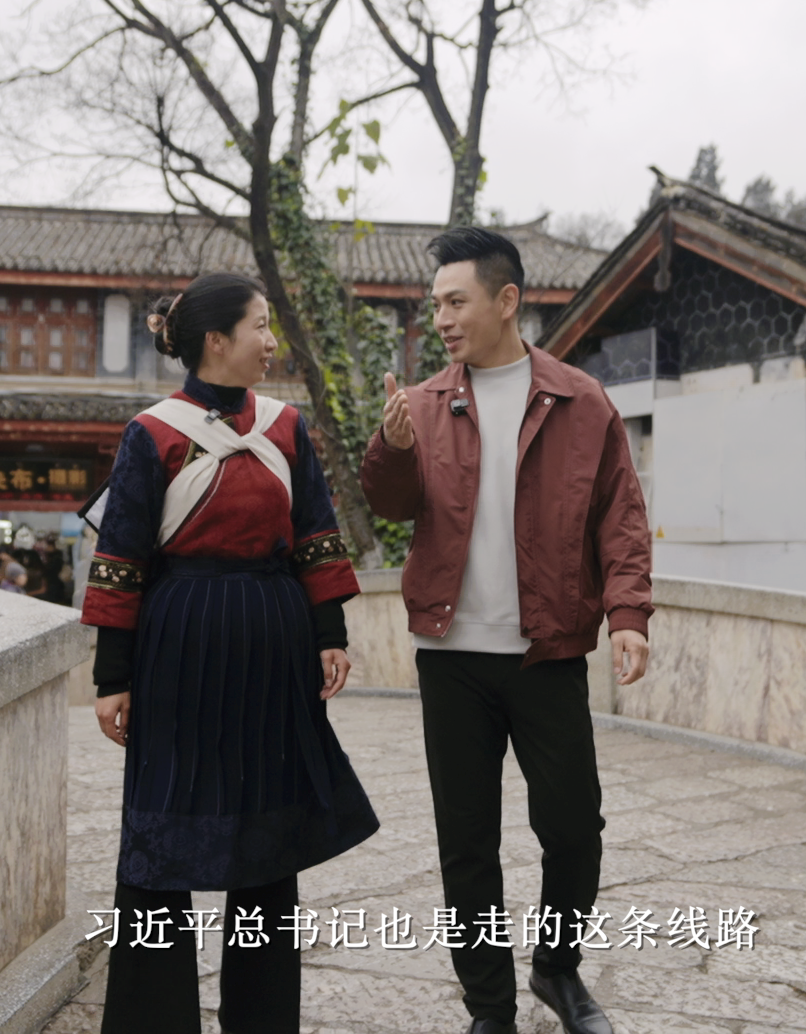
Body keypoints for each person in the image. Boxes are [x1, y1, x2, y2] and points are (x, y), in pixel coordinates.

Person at [361, 226, 653, 1034]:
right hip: (450, 657)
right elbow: (391, 505)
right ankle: (489, 1007)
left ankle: (557, 971)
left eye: (456, 302)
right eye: (436, 305)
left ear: (506, 300)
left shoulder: (581, 401)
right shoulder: (423, 403)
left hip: (545, 652)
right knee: (467, 842)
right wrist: (390, 449)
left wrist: (628, 614)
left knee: (574, 827)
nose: (442, 319)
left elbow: (621, 517)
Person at [82, 272, 379, 1032]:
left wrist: (330, 633)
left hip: (275, 649)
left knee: (268, 839)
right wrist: (112, 676)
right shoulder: (152, 433)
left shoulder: (286, 427)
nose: (271, 341)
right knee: (159, 835)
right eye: (260, 326)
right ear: (217, 340)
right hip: (177, 650)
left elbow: (315, 533)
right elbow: (121, 560)